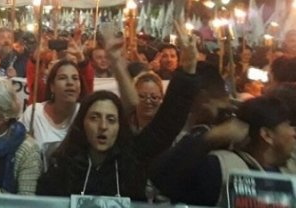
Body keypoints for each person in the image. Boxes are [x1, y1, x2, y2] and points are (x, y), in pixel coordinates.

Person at [36, 29, 199, 200]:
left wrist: (188, 71)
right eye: (94, 118)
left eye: (111, 119)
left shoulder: (133, 159)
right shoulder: (62, 166)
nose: (103, 126)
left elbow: (167, 123)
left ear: (120, 126)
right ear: (82, 123)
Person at [151, 96, 296, 206]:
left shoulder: (289, 168)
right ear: (267, 135)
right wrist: (209, 137)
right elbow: (162, 177)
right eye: (288, 125)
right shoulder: (221, 168)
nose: (293, 133)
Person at [21, 60, 84, 166]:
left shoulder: (85, 114)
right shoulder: (34, 113)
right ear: (52, 87)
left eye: (75, 78)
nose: (70, 83)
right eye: (62, 78)